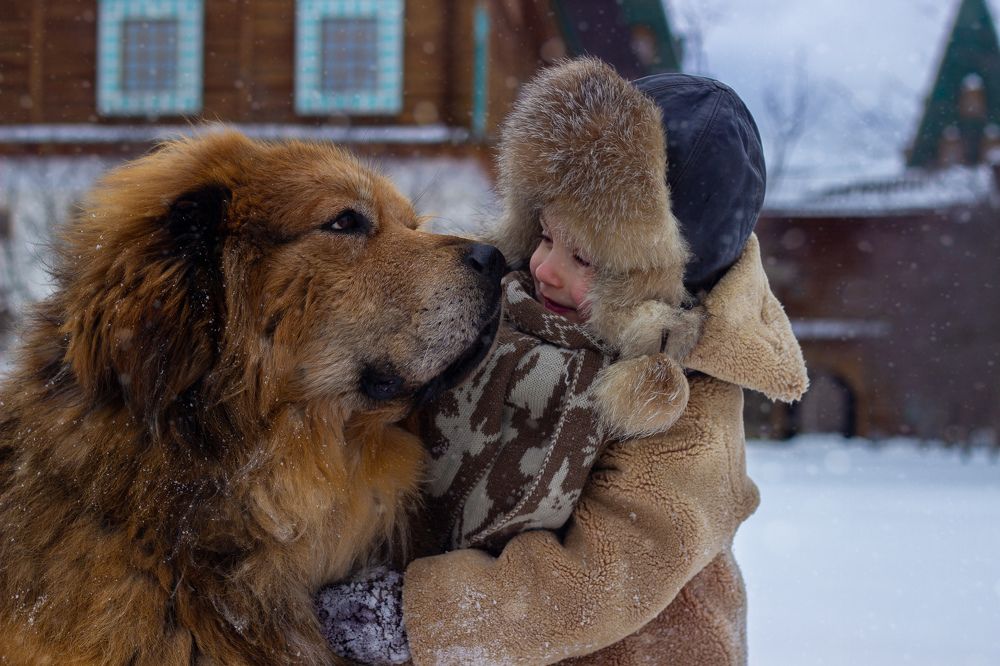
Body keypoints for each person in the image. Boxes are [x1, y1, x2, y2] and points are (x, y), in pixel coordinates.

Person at [318, 58, 808, 665]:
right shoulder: (508, 312)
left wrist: (415, 619)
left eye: (586, 257)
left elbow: (599, 579)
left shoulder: (689, 413)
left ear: (660, 281)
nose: (545, 267)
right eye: (545, 235)